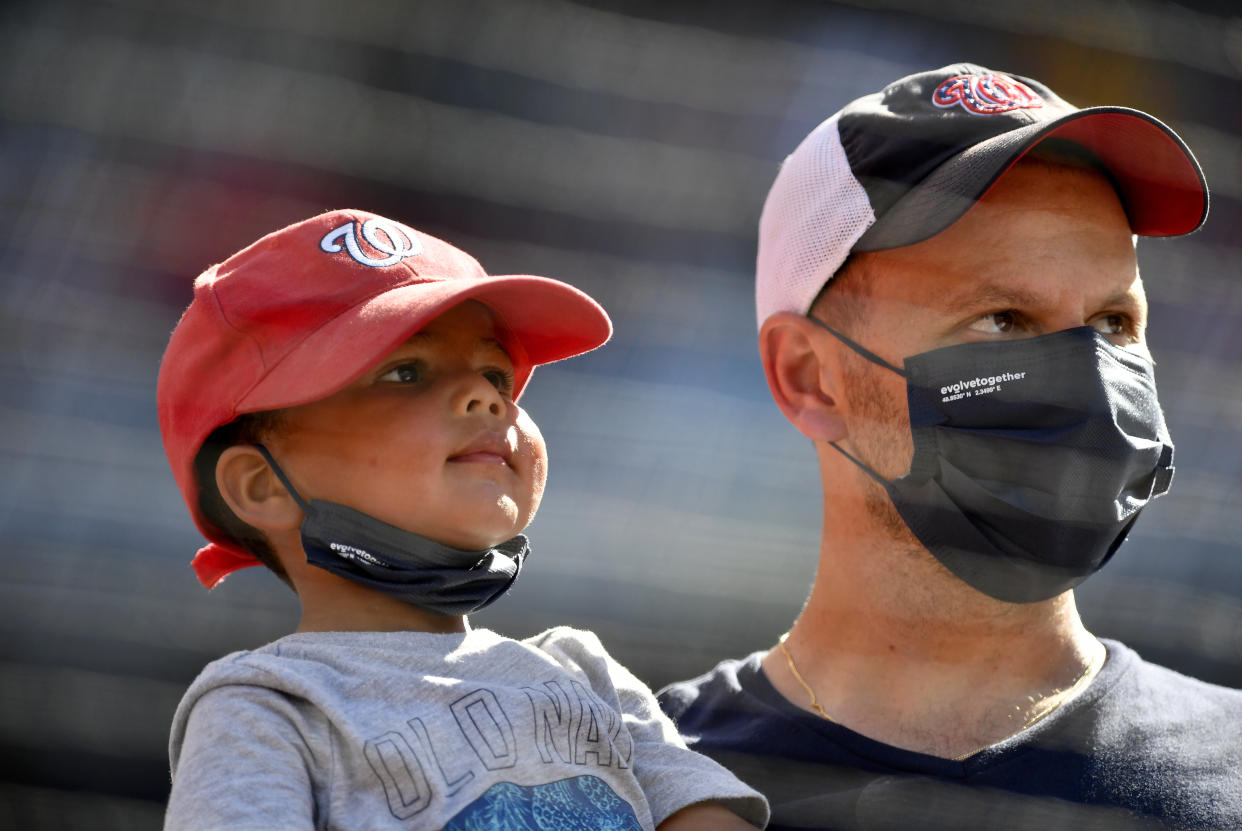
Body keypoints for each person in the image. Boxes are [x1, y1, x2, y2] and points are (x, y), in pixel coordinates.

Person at [658, 63, 1242, 830]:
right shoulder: (648, 781)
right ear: (810, 378)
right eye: (1001, 318)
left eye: (1111, 324)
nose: (1091, 382)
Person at [157, 209, 769, 830]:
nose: (487, 397)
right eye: (405, 372)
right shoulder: (269, 706)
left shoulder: (584, 674)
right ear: (261, 486)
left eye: (495, 373)